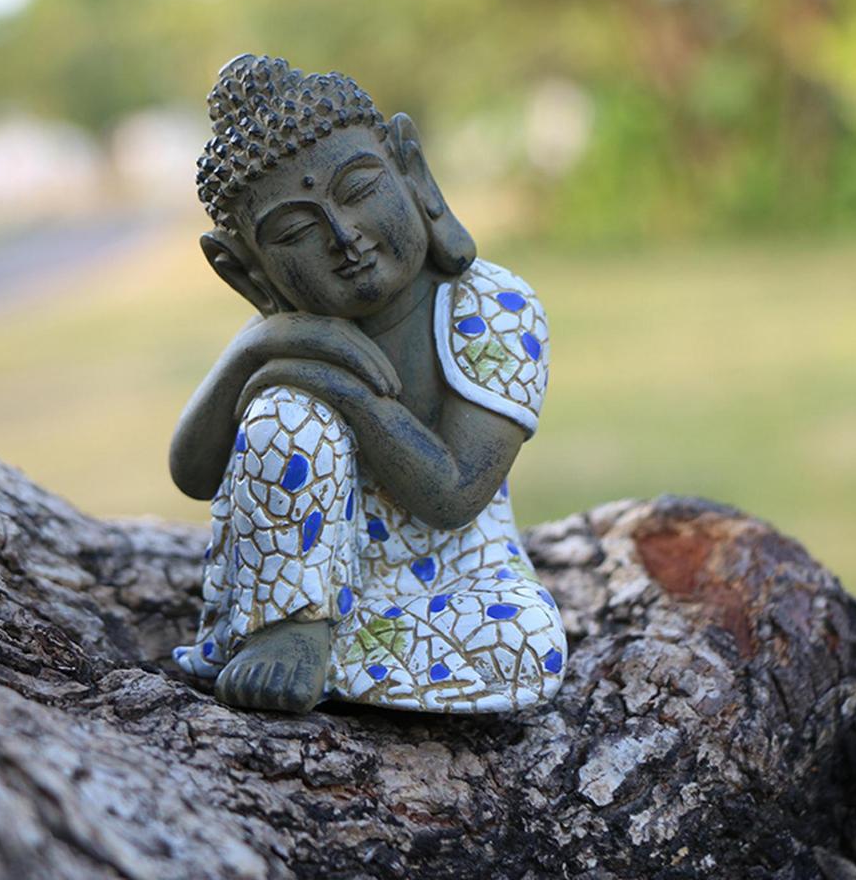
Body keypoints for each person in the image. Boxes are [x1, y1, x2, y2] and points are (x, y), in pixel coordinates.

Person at [170, 55, 566, 714]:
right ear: (244, 270)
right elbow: (193, 473)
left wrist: (352, 393)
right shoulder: (282, 344)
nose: (343, 236)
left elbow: (455, 493)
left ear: (411, 171)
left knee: (523, 644)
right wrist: (255, 346)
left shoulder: (494, 306)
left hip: (461, 577)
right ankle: (290, 632)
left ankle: (329, 659)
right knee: (284, 414)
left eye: (357, 189)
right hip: (289, 583)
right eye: (295, 231)